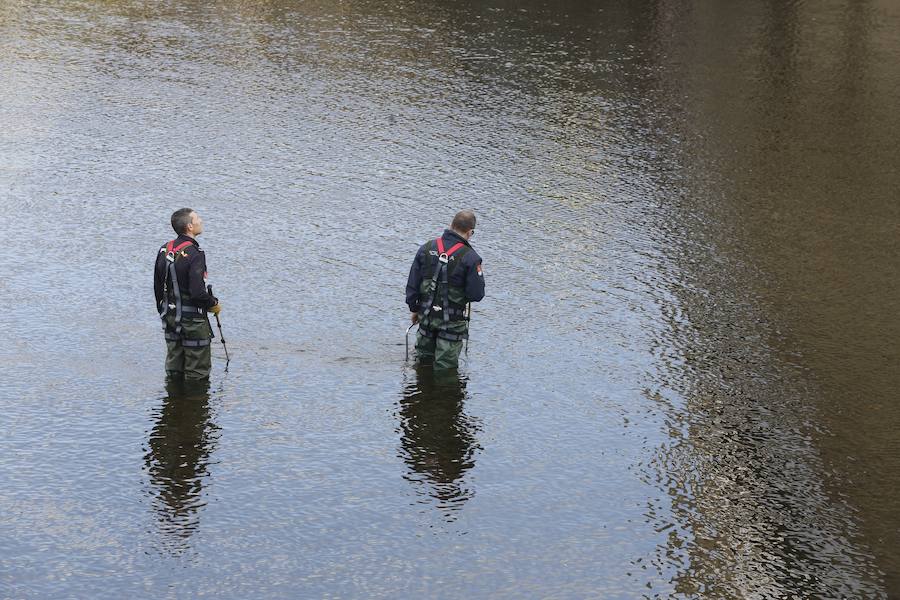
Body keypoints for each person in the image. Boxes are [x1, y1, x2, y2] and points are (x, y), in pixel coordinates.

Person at [406, 210, 485, 369]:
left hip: (426, 320)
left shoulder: (426, 248)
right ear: (471, 232)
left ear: (451, 225)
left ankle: (421, 392)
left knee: (422, 364)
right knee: (445, 372)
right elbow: (476, 295)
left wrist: (415, 309)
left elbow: (412, 286)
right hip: (452, 325)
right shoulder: (471, 258)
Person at [154, 208, 220, 380]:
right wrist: (213, 303)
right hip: (192, 322)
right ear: (190, 226)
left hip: (169, 316)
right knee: (197, 373)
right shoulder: (194, 254)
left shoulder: (164, 250)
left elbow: (157, 287)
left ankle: (172, 402)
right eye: (198, 218)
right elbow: (198, 294)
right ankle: (195, 404)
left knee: (174, 368)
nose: (201, 220)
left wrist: (164, 312)